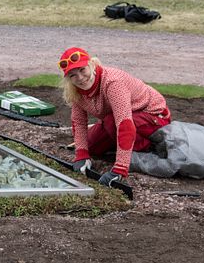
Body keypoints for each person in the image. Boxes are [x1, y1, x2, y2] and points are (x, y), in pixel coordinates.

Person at [58, 47, 171, 187]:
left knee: (113, 124)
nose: (80, 78)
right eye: (72, 75)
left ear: (92, 65)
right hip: (118, 118)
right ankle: (123, 143)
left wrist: (120, 168)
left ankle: (150, 146)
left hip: (153, 115)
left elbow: (124, 124)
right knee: (92, 145)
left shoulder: (112, 83)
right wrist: (81, 154)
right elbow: (79, 122)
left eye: (82, 70)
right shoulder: (76, 91)